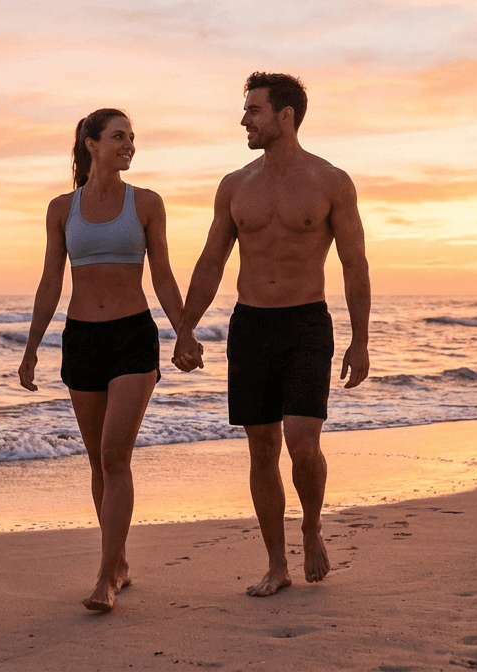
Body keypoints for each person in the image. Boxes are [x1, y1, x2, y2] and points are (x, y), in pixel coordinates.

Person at [172, 72, 371, 597]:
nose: (244, 120)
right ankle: (275, 563)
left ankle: (311, 527)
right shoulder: (235, 186)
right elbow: (211, 260)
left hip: (307, 323)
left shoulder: (331, 181)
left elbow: (354, 263)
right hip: (252, 325)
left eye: (254, 110)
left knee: (303, 443)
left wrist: (361, 339)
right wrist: (185, 327)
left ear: (286, 116)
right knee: (262, 448)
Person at [18, 108, 189, 612]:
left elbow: (163, 275)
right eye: (119, 136)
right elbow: (51, 281)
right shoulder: (60, 208)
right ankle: (118, 561)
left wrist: (185, 333)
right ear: (91, 144)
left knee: (115, 455)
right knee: (97, 460)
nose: (129, 144)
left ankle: (104, 578)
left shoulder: (147, 204)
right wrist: (31, 348)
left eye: (132, 137)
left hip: (133, 337)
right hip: (82, 339)